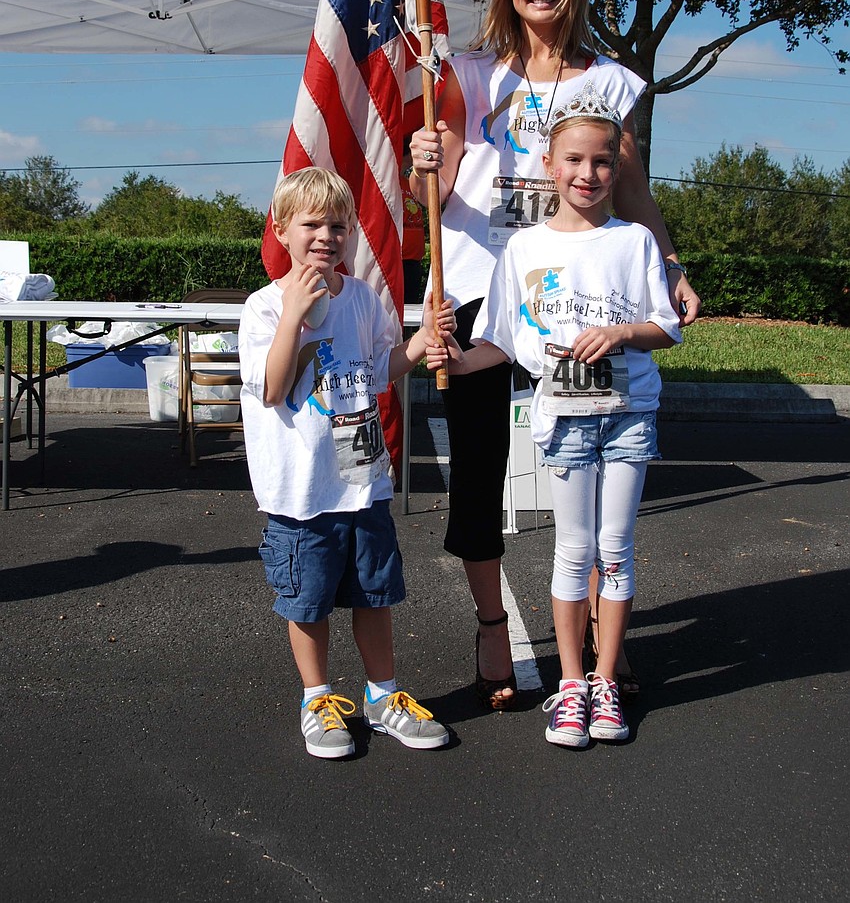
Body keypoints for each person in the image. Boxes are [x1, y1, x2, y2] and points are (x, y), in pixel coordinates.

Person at [409, 0, 698, 709]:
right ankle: (492, 623)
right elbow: (427, 191)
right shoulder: (468, 75)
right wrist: (419, 160)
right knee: (477, 471)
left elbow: (633, 193)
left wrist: (669, 267)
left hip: (579, 301)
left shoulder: (607, 81)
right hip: (477, 292)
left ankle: (607, 643)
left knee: (599, 466)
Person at [426, 85, 681, 745]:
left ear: (615, 168)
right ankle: (571, 685)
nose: (587, 174)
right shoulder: (523, 249)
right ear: (550, 163)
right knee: (573, 550)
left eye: (601, 162)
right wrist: (444, 355)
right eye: (573, 160)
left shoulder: (633, 242)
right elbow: (502, 343)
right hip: (564, 418)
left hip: (628, 412)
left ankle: (604, 681)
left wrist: (623, 335)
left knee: (615, 551)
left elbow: (667, 325)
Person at [238, 168, 453, 760]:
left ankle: (383, 696)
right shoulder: (262, 309)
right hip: (302, 492)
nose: (326, 236)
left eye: (339, 225)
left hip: (362, 483)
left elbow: (378, 369)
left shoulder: (359, 297)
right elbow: (274, 389)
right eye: (311, 224)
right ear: (281, 230)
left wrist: (421, 340)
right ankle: (317, 699)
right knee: (307, 602)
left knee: (373, 593)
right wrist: (293, 316)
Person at [400, 137, 426, 305]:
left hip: (414, 260)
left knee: (410, 312)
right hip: (398, 260)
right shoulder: (388, 183)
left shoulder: (411, 183)